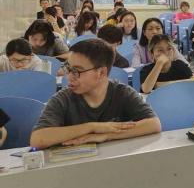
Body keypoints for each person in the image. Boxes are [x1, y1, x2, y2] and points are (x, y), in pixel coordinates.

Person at [30, 39, 161, 149]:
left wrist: (107, 136)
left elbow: (153, 124)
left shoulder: (122, 93)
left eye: (76, 71)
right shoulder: (63, 98)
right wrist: (92, 127)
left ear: (101, 73)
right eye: (68, 69)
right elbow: (38, 139)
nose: (69, 77)